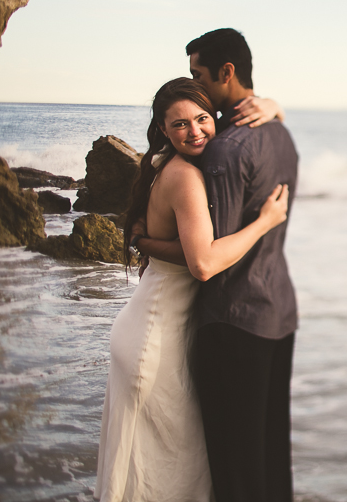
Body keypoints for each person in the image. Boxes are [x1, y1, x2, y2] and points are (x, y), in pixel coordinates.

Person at [94, 77, 288, 502]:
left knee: (160, 466)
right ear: (162, 129)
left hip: (157, 327)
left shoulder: (175, 164)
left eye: (202, 119)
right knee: (162, 472)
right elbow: (202, 262)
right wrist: (266, 223)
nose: (195, 131)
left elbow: (186, 248)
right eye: (179, 125)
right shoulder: (184, 175)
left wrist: (273, 107)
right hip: (155, 337)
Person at [135, 28, 299, 501]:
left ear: (226, 73)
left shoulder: (223, 151)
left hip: (233, 322)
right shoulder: (279, 134)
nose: (196, 87)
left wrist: (145, 242)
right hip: (277, 313)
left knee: (233, 468)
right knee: (270, 461)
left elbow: (205, 260)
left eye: (198, 76)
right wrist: (275, 105)